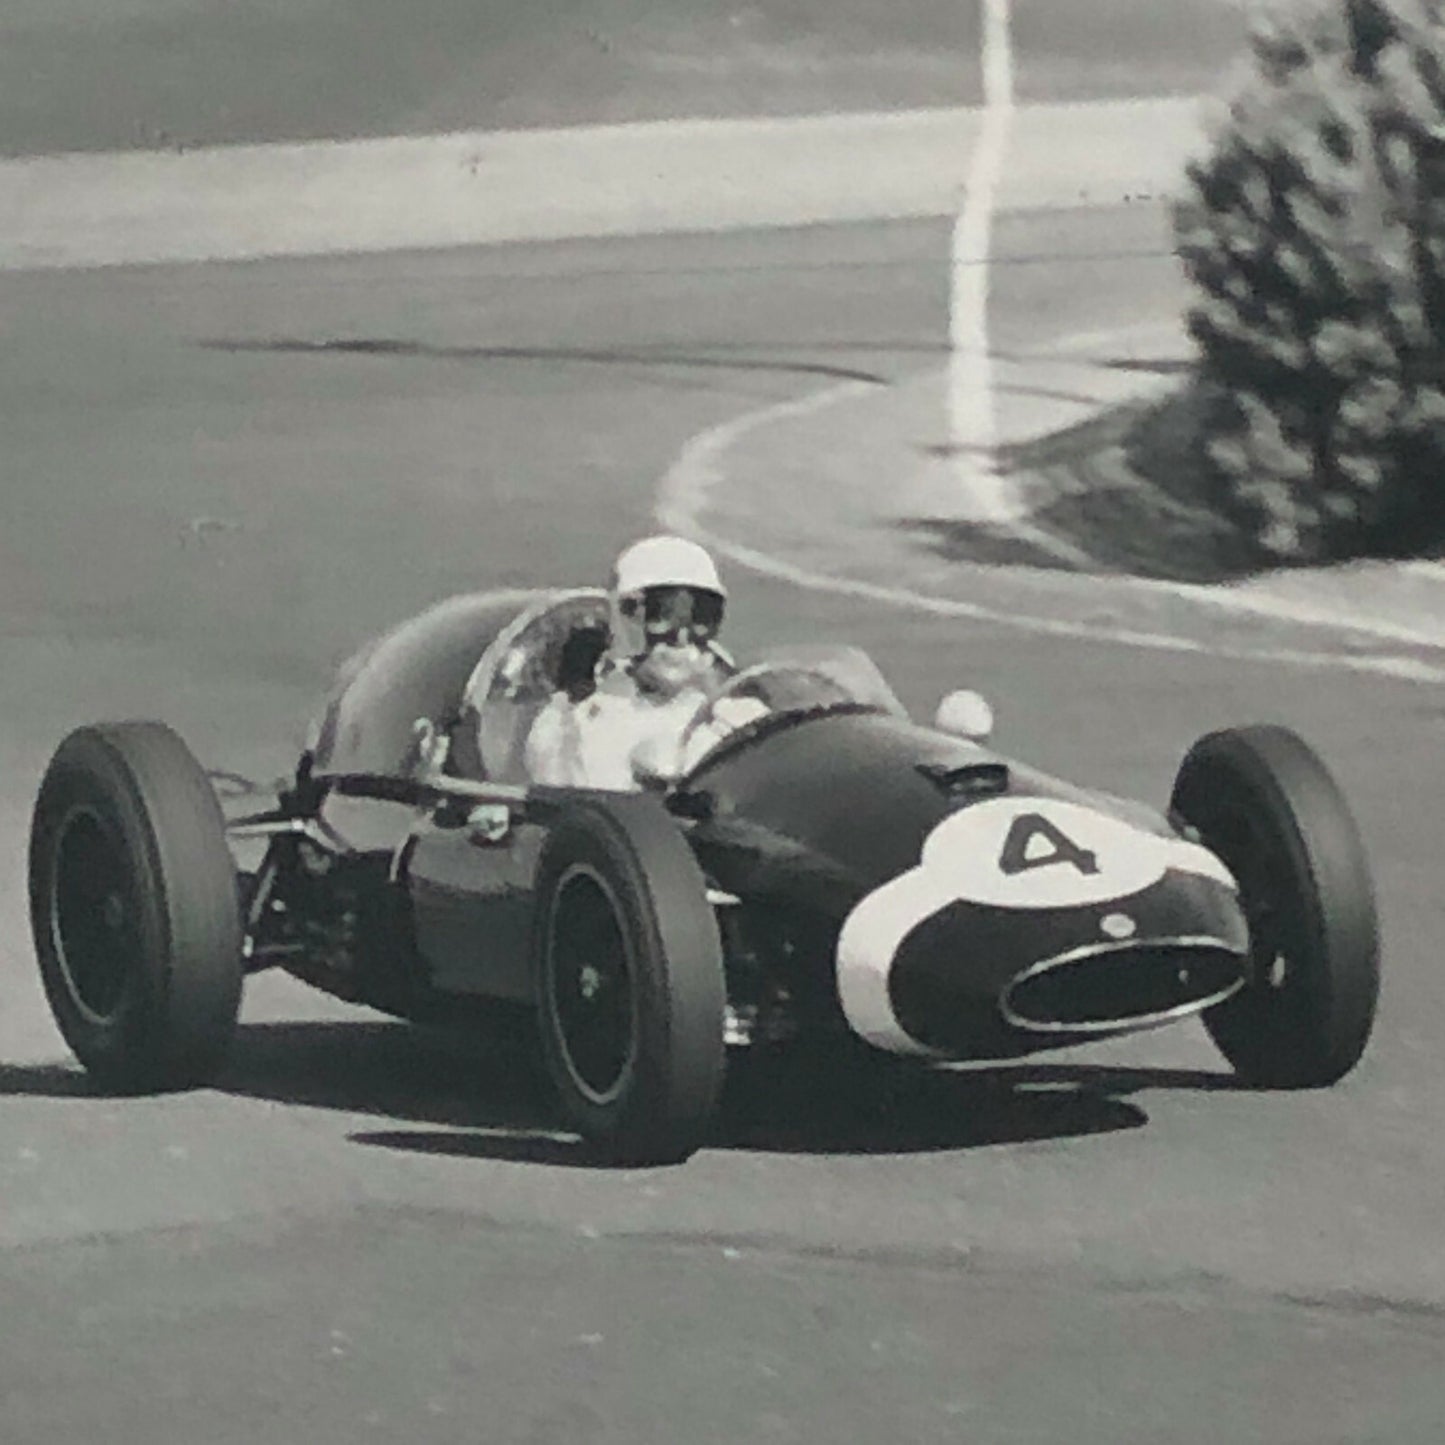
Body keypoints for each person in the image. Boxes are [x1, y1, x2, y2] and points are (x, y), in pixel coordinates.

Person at [523, 534, 762, 789]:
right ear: (628, 615)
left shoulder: (738, 713)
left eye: (701, 615)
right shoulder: (572, 723)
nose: (682, 637)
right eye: (663, 613)